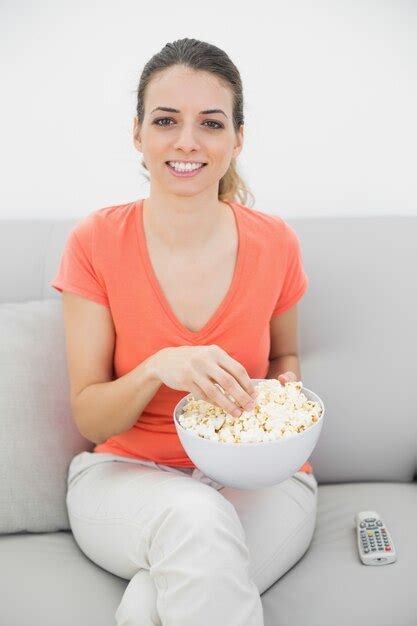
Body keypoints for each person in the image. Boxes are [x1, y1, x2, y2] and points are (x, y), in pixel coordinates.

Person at [51, 37, 318, 626]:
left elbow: (286, 356)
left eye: (211, 123)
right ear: (138, 134)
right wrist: (155, 367)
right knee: (195, 521)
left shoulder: (275, 243)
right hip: (126, 476)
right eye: (166, 120)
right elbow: (91, 417)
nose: (187, 141)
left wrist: (282, 400)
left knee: (155, 600)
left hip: (264, 480)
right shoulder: (95, 243)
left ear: (237, 139)